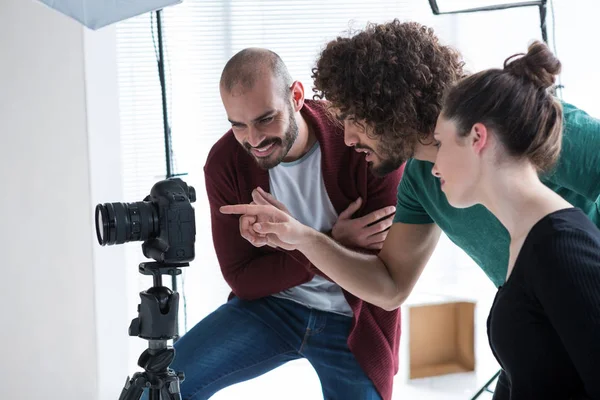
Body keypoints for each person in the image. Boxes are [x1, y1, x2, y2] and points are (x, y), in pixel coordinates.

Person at [221, 21, 600, 396]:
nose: (348, 137)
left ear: (386, 107)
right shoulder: (421, 179)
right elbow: (389, 286)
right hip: (537, 331)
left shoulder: (521, 122)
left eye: (353, 120)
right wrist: (301, 237)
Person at [152, 48, 403, 400]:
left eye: (265, 119)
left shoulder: (361, 142)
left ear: (296, 96)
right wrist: (333, 241)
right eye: (238, 125)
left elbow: (383, 270)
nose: (253, 140)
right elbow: (243, 279)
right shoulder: (225, 163)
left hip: (353, 318)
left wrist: (297, 243)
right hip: (273, 307)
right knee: (159, 388)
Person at [432, 41, 600, 399]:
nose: (434, 167)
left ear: (477, 137)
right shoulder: (528, 239)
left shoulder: (561, 245)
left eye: (440, 144)